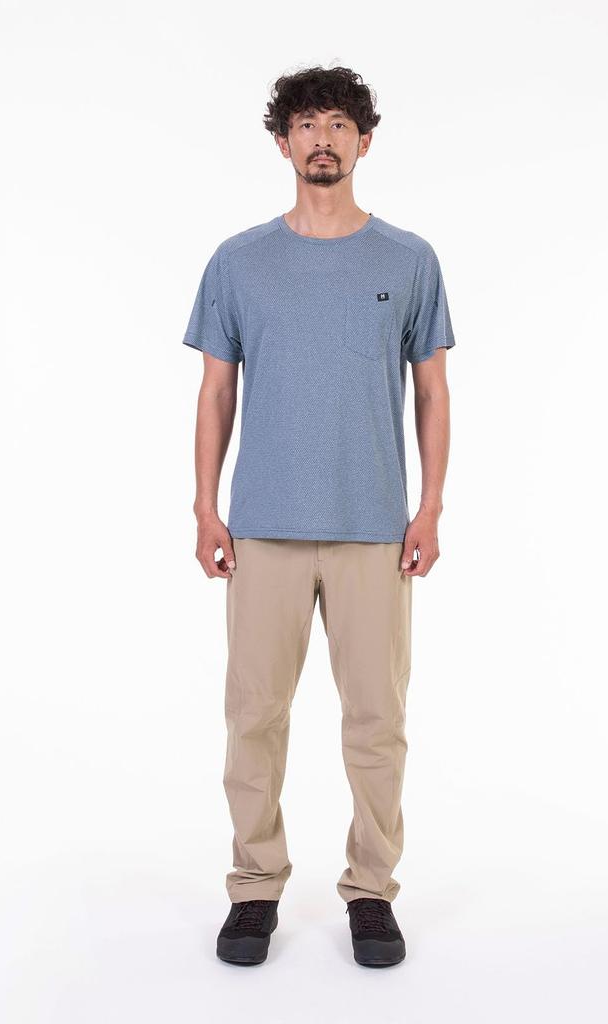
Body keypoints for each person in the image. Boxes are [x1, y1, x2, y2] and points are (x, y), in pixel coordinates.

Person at [182, 64, 455, 968]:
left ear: (365, 140)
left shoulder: (408, 260)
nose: (323, 139)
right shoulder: (239, 262)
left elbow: (432, 391)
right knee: (253, 717)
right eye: (307, 124)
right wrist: (205, 507)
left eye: (340, 123)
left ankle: (371, 891)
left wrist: (430, 507)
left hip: (375, 528)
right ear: (283, 142)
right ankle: (254, 887)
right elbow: (215, 392)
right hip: (262, 526)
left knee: (376, 721)